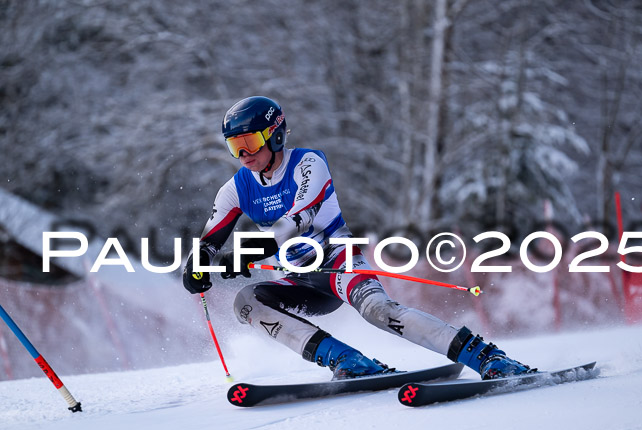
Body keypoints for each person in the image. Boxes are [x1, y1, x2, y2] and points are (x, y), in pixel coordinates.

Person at [183, 96, 535, 380]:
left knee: (378, 312)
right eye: (235, 147)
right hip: (299, 279)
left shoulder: (308, 164)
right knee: (246, 302)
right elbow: (209, 241)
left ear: (275, 135)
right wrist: (197, 266)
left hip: (340, 264)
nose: (244, 156)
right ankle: (349, 362)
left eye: (249, 143)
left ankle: (488, 357)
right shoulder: (236, 188)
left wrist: (247, 252)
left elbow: (295, 224)